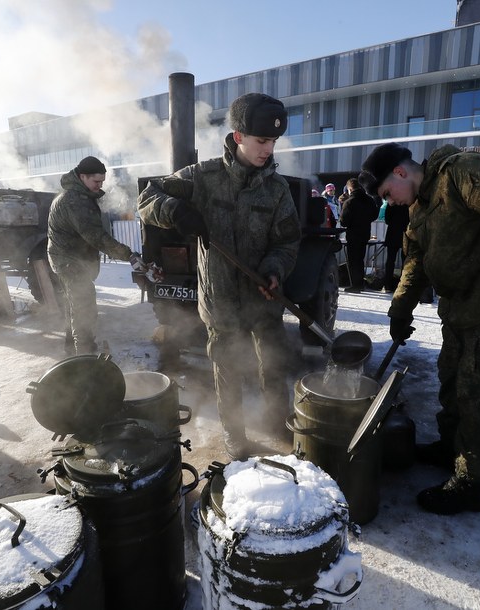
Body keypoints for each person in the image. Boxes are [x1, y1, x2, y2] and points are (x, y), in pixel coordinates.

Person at [359, 142, 480, 515]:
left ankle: (474, 483)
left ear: (400, 173)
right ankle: (451, 448)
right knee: (451, 382)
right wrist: (400, 310)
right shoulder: (420, 205)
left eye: (387, 194)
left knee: (478, 393)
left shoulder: (460, 174)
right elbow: (416, 260)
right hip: (458, 310)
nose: (391, 202)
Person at [137, 93, 300, 459]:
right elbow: (148, 197)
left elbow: (287, 242)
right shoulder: (203, 177)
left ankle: (277, 422)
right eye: (261, 141)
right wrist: (175, 209)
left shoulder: (277, 190)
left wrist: (275, 270)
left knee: (271, 361)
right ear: (239, 136)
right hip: (220, 297)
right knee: (226, 367)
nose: (268, 150)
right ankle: (235, 435)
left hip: (264, 297)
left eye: (273, 142)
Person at [47, 156, 142, 356]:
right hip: (68, 261)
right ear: (82, 177)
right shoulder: (75, 201)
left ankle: (71, 350)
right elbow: (97, 237)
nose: (100, 186)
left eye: (102, 181)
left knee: (74, 304)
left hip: (67, 258)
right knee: (84, 307)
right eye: (96, 181)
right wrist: (129, 255)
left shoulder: (77, 195)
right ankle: (85, 358)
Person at [339, 177, 379, 293]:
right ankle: (360, 283)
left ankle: (355, 285)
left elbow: (344, 222)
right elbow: (374, 215)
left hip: (353, 234)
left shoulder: (349, 202)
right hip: (365, 232)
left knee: (353, 260)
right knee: (360, 259)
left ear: (349, 189)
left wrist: (343, 205)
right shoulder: (369, 200)